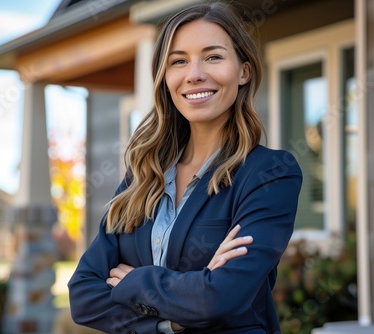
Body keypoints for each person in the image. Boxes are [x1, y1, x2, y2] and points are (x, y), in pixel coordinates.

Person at [68, 2, 302, 333]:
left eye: (213, 57)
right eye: (179, 61)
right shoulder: (142, 176)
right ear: (165, 77)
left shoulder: (270, 173)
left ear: (244, 71)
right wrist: (172, 319)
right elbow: (83, 297)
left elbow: (220, 299)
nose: (194, 74)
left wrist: (137, 280)